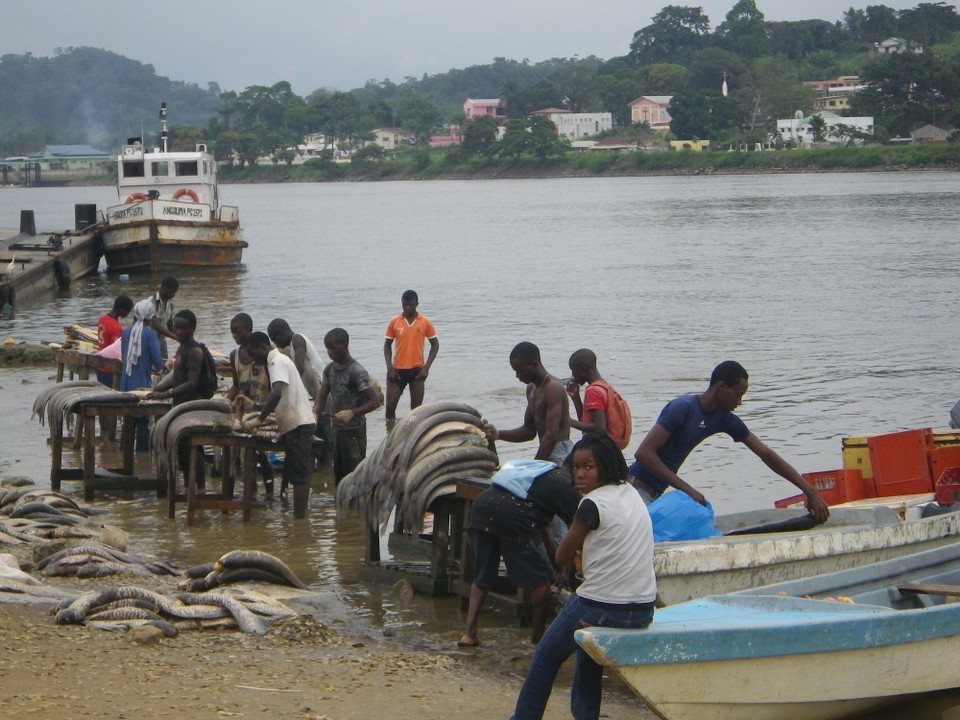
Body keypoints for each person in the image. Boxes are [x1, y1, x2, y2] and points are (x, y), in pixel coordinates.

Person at [509, 433, 657, 720]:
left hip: (603, 606)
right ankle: (585, 715)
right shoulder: (631, 494)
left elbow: (561, 558)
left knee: (545, 657)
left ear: (605, 466)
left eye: (588, 467)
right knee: (588, 650)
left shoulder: (591, 505)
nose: (580, 475)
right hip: (641, 609)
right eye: (575, 468)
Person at [629, 360, 830, 523]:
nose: (739, 402)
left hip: (657, 494)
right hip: (636, 489)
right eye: (738, 395)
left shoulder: (722, 418)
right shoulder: (682, 408)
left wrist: (809, 491)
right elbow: (644, 454)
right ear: (721, 387)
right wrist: (688, 490)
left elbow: (766, 454)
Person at [458, 460, 580, 649]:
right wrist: (558, 571)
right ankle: (537, 641)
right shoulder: (565, 486)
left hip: (482, 506)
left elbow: (542, 527)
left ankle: (468, 634)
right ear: (574, 471)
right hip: (512, 514)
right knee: (541, 582)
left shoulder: (539, 471)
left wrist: (556, 567)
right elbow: (578, 532)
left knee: (482, 576)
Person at [242, 332, 316, 518]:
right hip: (293, 423)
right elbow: (282, 397)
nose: (252, 358)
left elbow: (276, 393)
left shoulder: (276, 362)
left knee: (299, 477)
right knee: (295, 474)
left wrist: (259, 419)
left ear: (262, 347)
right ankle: (297, 518)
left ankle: (299, 522)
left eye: (253, 353)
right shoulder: (277, 361)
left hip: (299, 424)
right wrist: (256, 406)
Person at [486, 342, 572, 466]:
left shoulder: (553, 388)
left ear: (534, 365)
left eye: (520, 371)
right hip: (545, 450)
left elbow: (551, 435)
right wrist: (498, 434)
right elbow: (528, 432)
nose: (517, 376)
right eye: (515, 371)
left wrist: (534, 466)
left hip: (560, 454)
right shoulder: (531, 389)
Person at [314, 328, 380, 484]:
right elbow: (322, 396)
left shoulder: (357, 371)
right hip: (336, 431)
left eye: (333, 348)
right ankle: (340, 506)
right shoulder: (329, 369)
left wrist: (352, 412)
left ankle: (354, 508)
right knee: (339, 476)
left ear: (345, 344)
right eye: (327, 349)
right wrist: (315, 414)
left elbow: (374, 401)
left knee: (355, 476)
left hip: (354, 432)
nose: (330, 352)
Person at [226, 313, 274, 492]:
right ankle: (250, 492)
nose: (236, 336)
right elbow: (236, 385)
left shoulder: (266, 356)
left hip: (263, 409)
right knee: (243, 455)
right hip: (243, 410)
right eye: (232, 333)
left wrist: (262, 409)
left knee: (261, 455)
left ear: (249, 330)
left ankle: (268, 491)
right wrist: (226, 401)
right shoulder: (234, 355)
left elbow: (274, 387)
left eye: (238, 332)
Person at [383, 290, 439, 420]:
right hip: (397, 370)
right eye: (405, 305)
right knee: (390, 406)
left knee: (416, 408)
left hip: (417, 371)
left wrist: (426, 368)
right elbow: (387, 345)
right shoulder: (395, 321)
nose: (407, 307)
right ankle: (390, 432)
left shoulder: (424, 322)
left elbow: (435, 345)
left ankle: (413, 435)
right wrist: (389, 367)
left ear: (416, 304)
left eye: (411, 304)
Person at [120, 299, 164, 451]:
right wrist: (165, 368)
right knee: (143, 422)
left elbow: (125, 357)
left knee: (128, 420)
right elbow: (158, 363)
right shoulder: (150, 335)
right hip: (141, 384)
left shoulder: (125, 332)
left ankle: (123, 453)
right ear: (151, 317)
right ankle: (142, 457)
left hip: (125, 383)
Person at [566, 348, 631, 449]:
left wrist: (568, 421)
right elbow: (587, 423)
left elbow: (599, 428)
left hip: (601, 448)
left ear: (583, 369)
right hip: (610, 446)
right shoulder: (605, 386)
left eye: (574, 371)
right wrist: (575, 397)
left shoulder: (593, 391)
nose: (573, 375)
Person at [267, 318, 323, 399]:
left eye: (274, 340)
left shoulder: (297, 339)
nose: (275, 343)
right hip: (317, 395)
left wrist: (287, 390)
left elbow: (299, 368)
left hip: (323, 392)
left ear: (280, 335)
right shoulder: (291, 347)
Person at [96, 295, 133, 387]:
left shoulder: (103, 318)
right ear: (121, 309)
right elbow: (117, 351)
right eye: (127, 311)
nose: (128, 314)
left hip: (100, 365)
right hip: (110, 369)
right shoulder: (116, 328)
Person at [145, 276, 179, 359]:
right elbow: (156, 326)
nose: (173, 295)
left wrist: (180, 336)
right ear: (164, 288)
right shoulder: (151, 302)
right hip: (149, 340)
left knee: (164, 363)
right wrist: (175, 337)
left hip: (161, 339)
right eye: (172, 292)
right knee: (152, 365)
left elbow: (170, 325)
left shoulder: (170, 304)